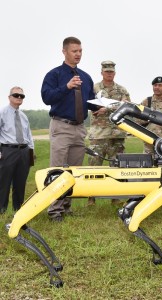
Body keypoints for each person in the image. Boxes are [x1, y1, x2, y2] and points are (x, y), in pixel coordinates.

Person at [41, 36, 97, 222]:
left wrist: (99, 107)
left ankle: (66, 206)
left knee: (73, 170)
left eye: (80, 51)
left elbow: (90, 101)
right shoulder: (54, 75)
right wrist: (66, 87)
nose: (78, 54)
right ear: (64, 51)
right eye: (74, 51)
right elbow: (47, 97)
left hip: (79, 128)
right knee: (58, 170)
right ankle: (54, 210)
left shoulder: (86, 77)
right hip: (61, 126)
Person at [87, 60, 131, 206]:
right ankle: (91, 198)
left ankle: (116, 197)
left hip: (116, 135)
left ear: (115, 73)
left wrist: (108, 108)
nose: (109, 74)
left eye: (111, 72)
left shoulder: (122, 90)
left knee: (117, 166)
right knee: (94, 166)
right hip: (98, 134)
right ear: (102, 73)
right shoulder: (94, 88)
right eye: (106, 71)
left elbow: (126, 105)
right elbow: (87, 102)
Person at [0, 87, 34, 214]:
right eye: (16, 95)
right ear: (9, 97)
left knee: (20, 183)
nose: (19, 97)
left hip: (24, 151)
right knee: (4, 182)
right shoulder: (2, 113)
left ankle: (18, 210)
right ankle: (1, 211)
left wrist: (31, 152)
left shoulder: (24, 116)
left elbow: (28, 135)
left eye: (22, 96)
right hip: (8, 150)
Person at [140, 76, 162, 155]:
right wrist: (148, 117)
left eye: (160, 85)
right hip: (149, 140)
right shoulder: (146, 102)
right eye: (155, 85)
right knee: (148, 164)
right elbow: (137, 119)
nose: (157, 87)